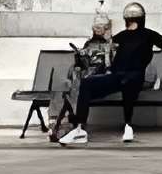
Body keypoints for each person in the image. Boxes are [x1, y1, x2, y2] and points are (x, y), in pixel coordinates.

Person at [58, 2, 162, 144]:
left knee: (128, 81)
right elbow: (107, 51)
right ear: (142, 18)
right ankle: (80, 130)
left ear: (126, 20)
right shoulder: (121, 37)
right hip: (116, 75)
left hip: (135, 75)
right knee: (87, 83)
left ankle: (128, 125)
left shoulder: (148, 34)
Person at [46, 13, 114, 141]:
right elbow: (81, 65)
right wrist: (79, 58)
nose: (97, 30)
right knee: (62, 87)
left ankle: (68, 126)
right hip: (83, 78)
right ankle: (56, 124)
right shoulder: (89, 44)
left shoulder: (110, 46)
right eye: (96, 27)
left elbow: (108, 67)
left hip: (97, 82)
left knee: (76, 89)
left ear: (106, 29)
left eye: (101, 27)